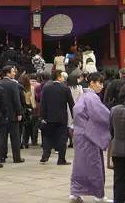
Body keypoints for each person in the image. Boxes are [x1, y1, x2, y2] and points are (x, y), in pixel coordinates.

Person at [69, 72, 112, 203]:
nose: (101, 86)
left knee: (79, 165)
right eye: (99, 82)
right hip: (89, 135)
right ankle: (99, 195)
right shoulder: (92, 98)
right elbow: (102, 115)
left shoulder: (84, 96)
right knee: (94, 165)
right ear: (92, 83)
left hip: (80, 134)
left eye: (102, 83)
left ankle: (75, 193)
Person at [40, 70, 75, 165]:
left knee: (48, 137)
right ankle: (61, 159)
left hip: (49, 117)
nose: (63, 78)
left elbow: (43, 103)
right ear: (59, 77)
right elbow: (71, 104)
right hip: (61, 118)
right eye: (62, 76)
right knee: (62, 138)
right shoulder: (65, 88)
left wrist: (43, 116)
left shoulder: (46, 88)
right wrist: (74, 117)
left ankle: (45, 156)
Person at [0, 65, 25, 163]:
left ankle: (2, 156)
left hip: (2, 115)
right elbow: (16, 100)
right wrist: (19, 112)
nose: (15, 73)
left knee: (3, 137)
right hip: (13, 114)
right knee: (15, 137)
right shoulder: (13, 84)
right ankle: (16, 157)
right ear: (8, 73)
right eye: (13, 71)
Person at [19, 72, 37, 149]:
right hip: (29, 107)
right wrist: (34, 107)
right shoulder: (31, 88)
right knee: (28, 126)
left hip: (22, 107)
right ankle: (26, 142)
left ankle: (20, 142)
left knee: (21, 127)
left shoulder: (19, 88)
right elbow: (32, 99)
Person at [67, 72, 84, 146]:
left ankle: (70, 140)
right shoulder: (79, 87)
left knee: (68, 124)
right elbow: (82, 97)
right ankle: (75, 139)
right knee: (76, 124)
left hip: (68, 107)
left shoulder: (67, 88)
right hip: (77, 106)